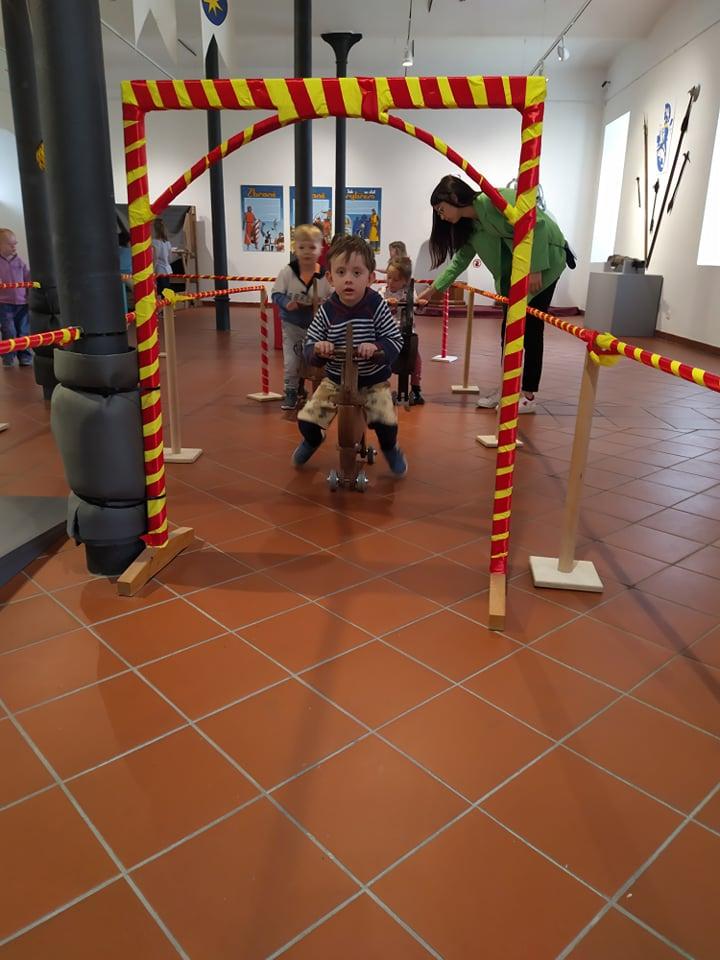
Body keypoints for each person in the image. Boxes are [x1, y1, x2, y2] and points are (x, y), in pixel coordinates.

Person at [418, 175, 572, 413]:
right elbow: (459, 262)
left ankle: (528, 395)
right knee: (508, 333)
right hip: (517, 274)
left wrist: (536, 267)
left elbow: (537, 223)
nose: (441, 216)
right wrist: (430, 292)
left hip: (547, 262)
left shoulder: (495, 200)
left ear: (454, 197)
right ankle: (508, 388)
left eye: (441, 209)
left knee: (532, 330)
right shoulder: (470, 227)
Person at [292, 235, 407, 476]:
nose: (348, 280)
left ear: (370, 277)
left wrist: (377, 348)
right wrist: (318, 349)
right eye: (341, 272)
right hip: (335, 379)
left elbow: (395, 340)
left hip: (372, 380)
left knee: (386, 422)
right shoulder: (327, 310)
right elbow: (309, 344)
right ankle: (313, 440)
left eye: (357, 273)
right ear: (330, 277)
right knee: (307, 421)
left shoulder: (376, 305)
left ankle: (390, 448)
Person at [272, 224, 332, 410]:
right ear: (295, 248)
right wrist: (286, 303)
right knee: (292, 361)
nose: (307, 252)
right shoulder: (288, 272)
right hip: (292, 325)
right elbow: (276, 293)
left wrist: (326, 303)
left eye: (312, 247)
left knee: (315, 363)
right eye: (302, 247)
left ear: (320, 249)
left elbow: (332, 296)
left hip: (316, 328)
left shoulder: (324, 275)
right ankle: (291, 391)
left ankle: (319, 394)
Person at [384, 256, 424, 405]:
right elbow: (378, 306)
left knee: (415, 360)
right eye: (389, 277)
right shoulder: (383, 292)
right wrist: (387, 303)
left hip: (407, 332)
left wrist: (420, 304)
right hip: (389, 333)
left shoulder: (409, 293)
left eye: (395, 279)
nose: (390, 282)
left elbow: (417, 310)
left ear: (405, 281)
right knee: (383, 359)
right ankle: (380, 388)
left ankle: (416, 389)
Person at [0, 228, 32, 368]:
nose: (14, 247)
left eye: (15, 244)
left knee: (23, 331)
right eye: (10, 244)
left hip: (22, 302)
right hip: (4, 303)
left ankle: (25, 356)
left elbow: (27, 277)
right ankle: (8, 357)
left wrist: (30, 293)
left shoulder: (20, 262)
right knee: (9, 330)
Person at [152, 218, 173, 297]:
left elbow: (155, 257)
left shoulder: (154, 242)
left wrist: (152, 270)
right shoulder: (167, 243)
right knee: (166, 291)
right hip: (167, 269)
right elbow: (170, 258)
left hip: (159, 269)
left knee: (160, 291)